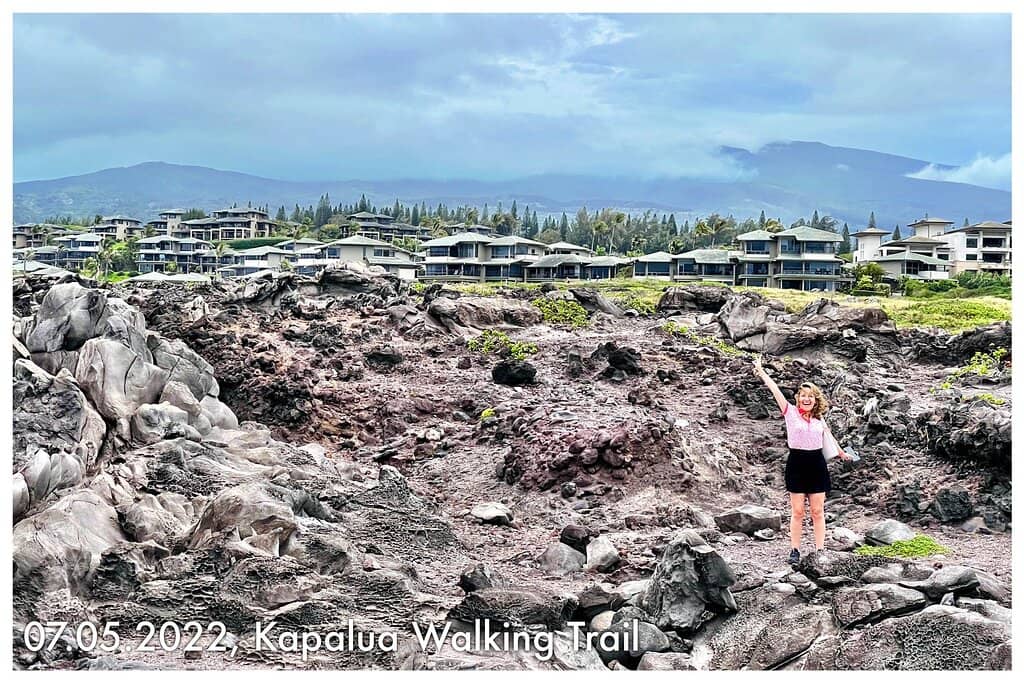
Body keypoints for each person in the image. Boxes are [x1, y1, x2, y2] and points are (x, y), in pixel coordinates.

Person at [752, 355, 852, 566]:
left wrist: (841, 453)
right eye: (803, 395)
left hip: (817, 464)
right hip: (797, 463)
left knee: (817, 511)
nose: (807, 399)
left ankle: (820, 550)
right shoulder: (790, 412)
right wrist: (761, 371)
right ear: (798, 398)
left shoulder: (818, 417)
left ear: (816, 400)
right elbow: (775, 390)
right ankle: (795, 550)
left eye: (811, 396)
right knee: (797, 511)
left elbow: (828, 436)